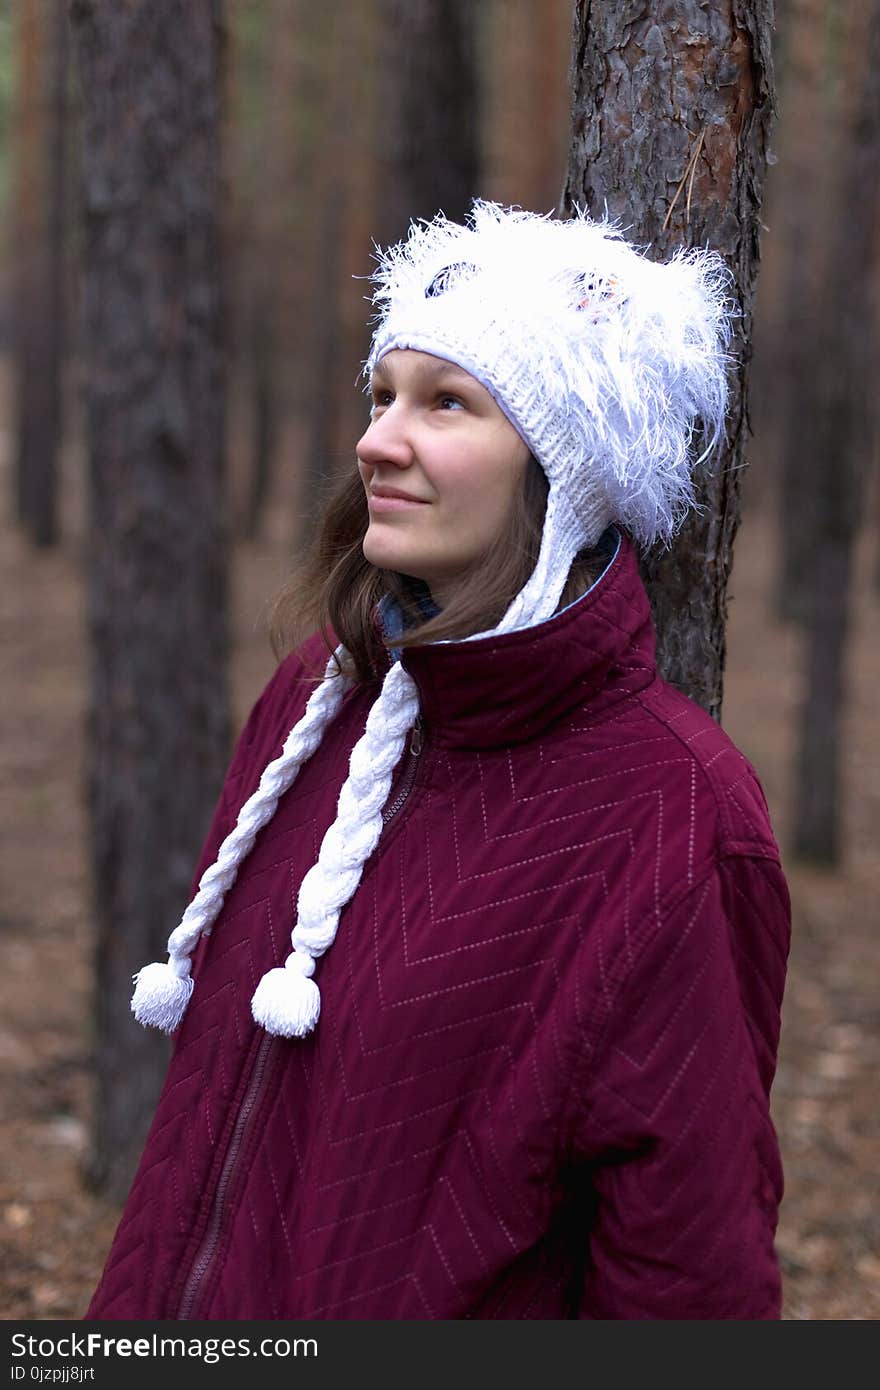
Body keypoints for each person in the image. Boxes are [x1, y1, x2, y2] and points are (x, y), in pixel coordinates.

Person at [86, 201, 791, 1320]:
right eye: (382, 395)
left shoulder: (669, 815)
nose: (376, 439)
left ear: (562, 471)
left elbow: (686, 1270)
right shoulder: (312, 704)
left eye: (446, 402)